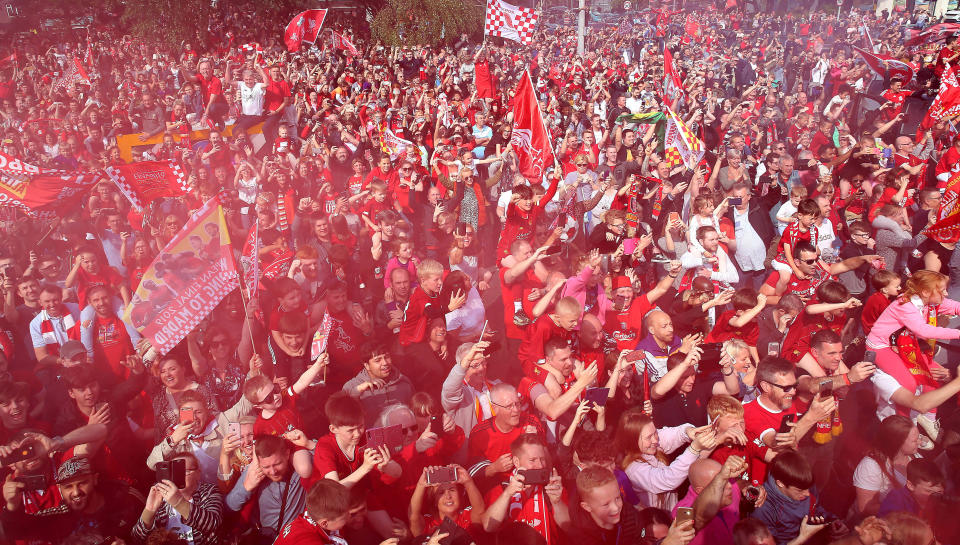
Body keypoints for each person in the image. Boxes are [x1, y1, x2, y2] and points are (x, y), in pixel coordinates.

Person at [481, 434, 570, 543]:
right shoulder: (502, 489)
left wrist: (557, 502)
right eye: (532, 460)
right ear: (516, 462)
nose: (540, 465)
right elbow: (488, 527)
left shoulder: (552, 487)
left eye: (542, 459)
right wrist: (507, 494)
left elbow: (569, 527)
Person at [225, 435, 306, 544]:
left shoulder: (299, 469)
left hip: (292, 539)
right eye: (266, 467)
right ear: (258, 462)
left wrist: (309, 443)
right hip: (262, 538)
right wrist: (247, 487)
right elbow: (229, 506)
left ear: (287, 454)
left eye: (277, 464)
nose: (273, 472)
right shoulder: (254, 472)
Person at [132, 452, 224, 544]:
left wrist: (178, 502)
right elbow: (137, 538)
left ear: (198, 473)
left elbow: (213, 524)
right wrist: (149, 511)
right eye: (174, 472)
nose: (177, 476)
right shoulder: (162, 498)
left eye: (183, 471)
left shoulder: (209, 491)